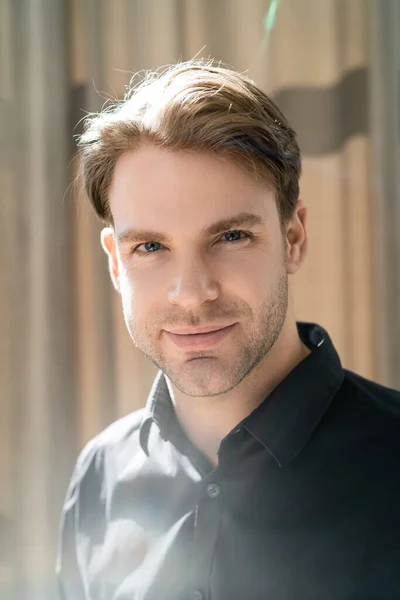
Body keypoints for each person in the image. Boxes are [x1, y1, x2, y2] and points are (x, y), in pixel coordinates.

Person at [56, 59, 400, 600]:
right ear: (116, 265)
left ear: (293, 238)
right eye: (150, 247)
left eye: (231, 237)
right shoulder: (99, 476)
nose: (192, 292)